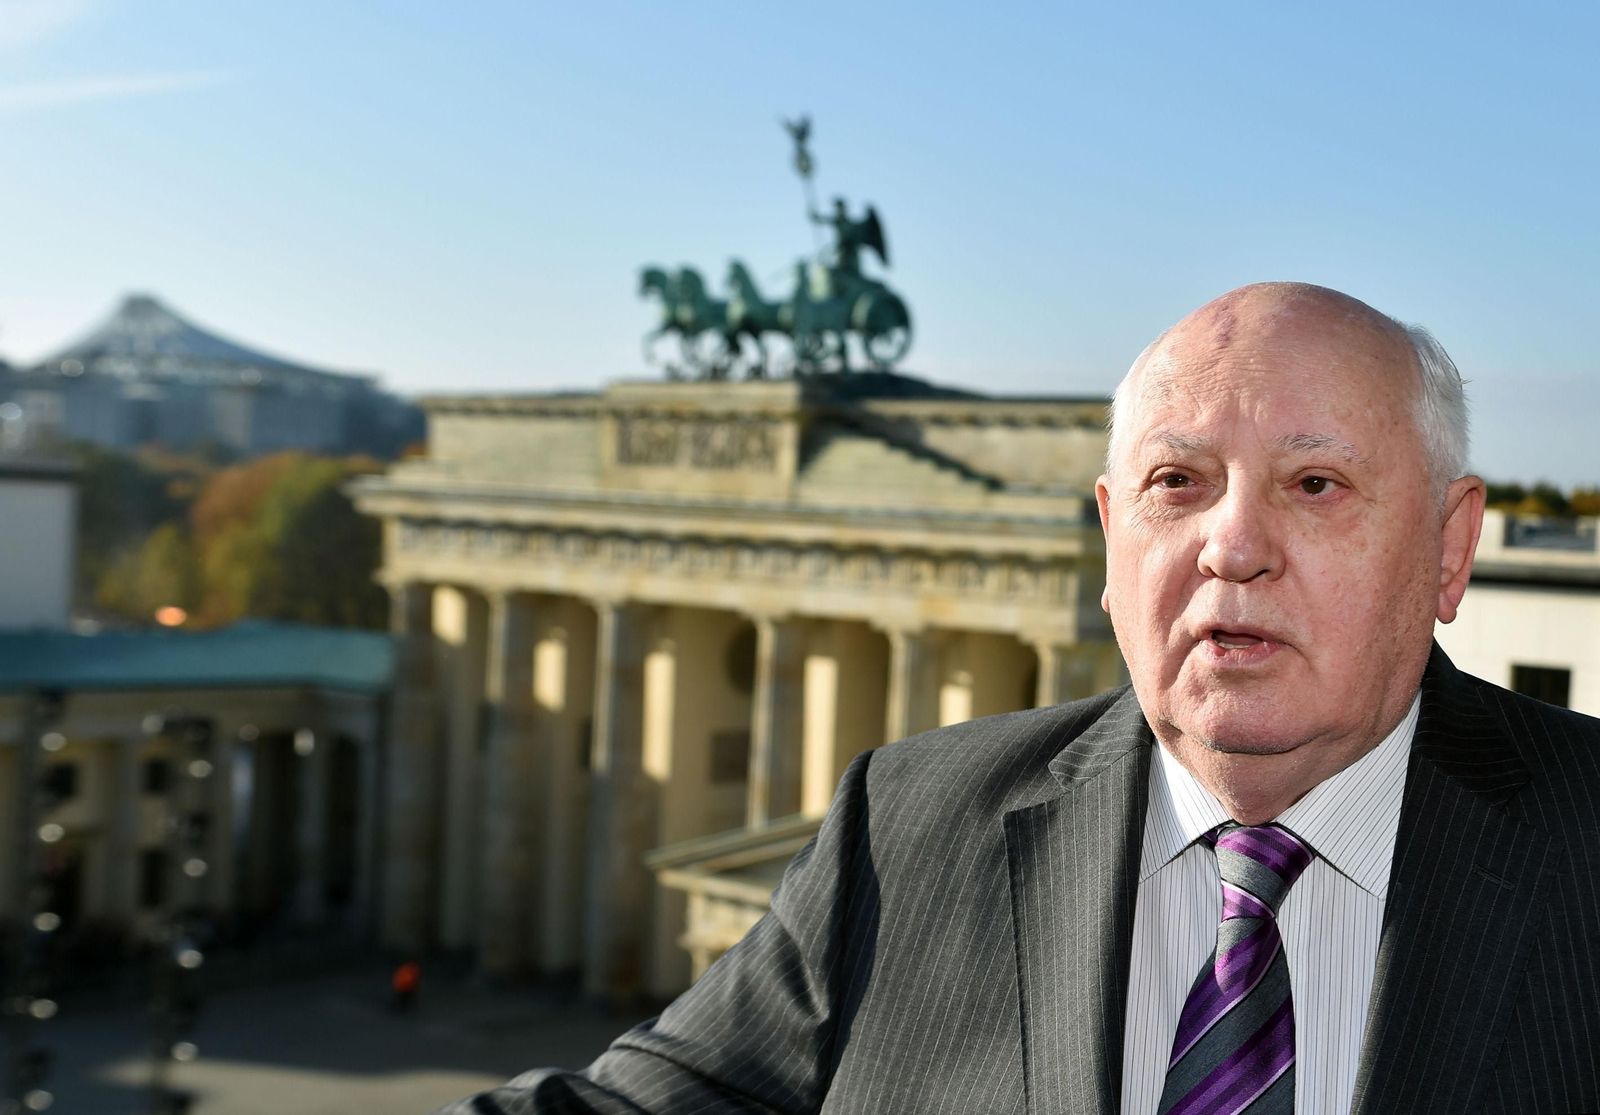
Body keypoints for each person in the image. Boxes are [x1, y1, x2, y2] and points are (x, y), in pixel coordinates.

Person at [436, 283, 1599, 1114]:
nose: (1230, 545)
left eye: (1314, 483)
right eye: (1176, 482)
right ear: (1109, 540)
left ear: (1450, 550)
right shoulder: (907, 823)